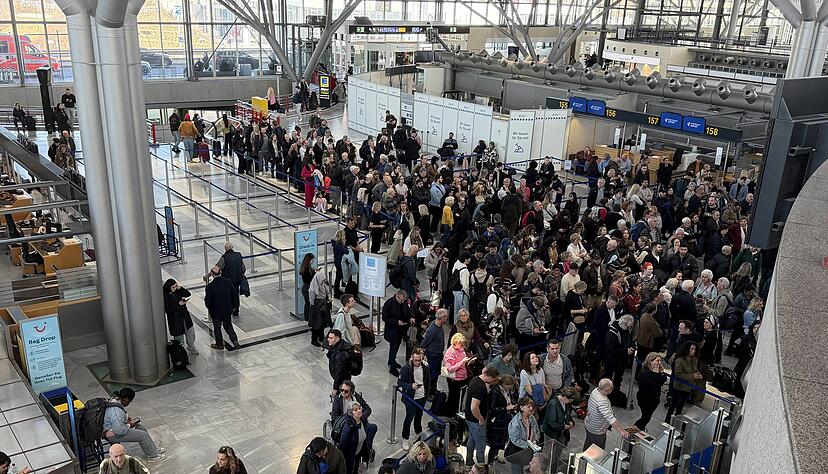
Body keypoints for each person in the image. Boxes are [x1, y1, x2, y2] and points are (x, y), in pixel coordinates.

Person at [103, 389, 167, 462]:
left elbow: (115, 420)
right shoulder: (116, 412)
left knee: (141, 427)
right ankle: (152, 457)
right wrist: (129, 425)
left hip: (114, 429)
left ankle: (153, 449)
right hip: (113, 435)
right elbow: (119, 430)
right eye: (130, 401)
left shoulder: (115, 400)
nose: (129, 403)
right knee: (143, 435)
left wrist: (126, 419)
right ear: (126, 399)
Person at [464, 366, 499, 467]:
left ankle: (469, 462)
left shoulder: (475, 379)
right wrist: (481, 419)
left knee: (472, 440)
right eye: (493, 379)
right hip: (476, 420)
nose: (493, 382)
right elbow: (474, 407)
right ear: (489, 377)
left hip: (470, 418)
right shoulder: (480, 387)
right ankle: (481, 468)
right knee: (481, 446)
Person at [583, 379, 630, 450]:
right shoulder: (601, 401)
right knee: (598, 450)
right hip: (597, 430)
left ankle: (583, 458)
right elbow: (610, 418)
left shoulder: (595, 391)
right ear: (607, 390)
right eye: (612, 388)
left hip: (589, 425)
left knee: (589, 443)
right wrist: (622, 431)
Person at [398, 348, 430, 449]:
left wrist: (427, 392)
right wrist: (410, 386)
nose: (417, 362)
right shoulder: (405, 369)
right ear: (412, 357)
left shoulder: (425, 367)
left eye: (419, 360)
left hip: (422, 396)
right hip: (410, 397)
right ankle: (405, 438)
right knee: (409, 417)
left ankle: (418, 433)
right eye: (415, 360)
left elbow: (428, 380)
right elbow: (400, 383)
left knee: (419, 416)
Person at [204, 242, 246, 318]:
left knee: (228, 296)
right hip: (237, 280)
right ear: (232, 247)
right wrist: (240, 275)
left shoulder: (224, 257)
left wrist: (207, 276)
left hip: (228, 281)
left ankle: (229, 310)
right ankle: (236, 311)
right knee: (236, 295)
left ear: (225, 249)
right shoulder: (238, 255)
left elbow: (216, 268)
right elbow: (243, 268)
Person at [204, 266, 240, 350]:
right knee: (228, 326)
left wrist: (210, 308)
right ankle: (234, 340)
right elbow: (234, 295)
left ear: (212, 274)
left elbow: (207, 301)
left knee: (217, 327)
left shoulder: (210, 286)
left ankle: (219, 344)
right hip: (227, 309)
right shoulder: (228, 282)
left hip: (216, 311)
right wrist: (234, 306)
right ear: (220, 272)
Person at [665, 341, 702, 422]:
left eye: (694, 349)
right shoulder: (679, 360)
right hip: (679, 386)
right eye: (691, 349)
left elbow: (695, 369)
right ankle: (667, 420)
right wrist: (693, 376)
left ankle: (677, 420)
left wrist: (697, 374)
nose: (693, 351)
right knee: (674, 404)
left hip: (688, 387)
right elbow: (678, 375)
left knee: (681, 405)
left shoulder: (694, 359)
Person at [339, 402, 378, 474]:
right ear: (351, 413)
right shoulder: (348, 427)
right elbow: (343, 446)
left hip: (358, 453)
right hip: (350, 456)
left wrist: (364, 458)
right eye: (355, 410)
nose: (359, 411)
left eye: (359, 408)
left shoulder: (362, 420)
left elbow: (363, 440)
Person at [162, 279, 198, 355]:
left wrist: (180, 288)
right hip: (175, 320)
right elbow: (168, 310)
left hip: (184, 316)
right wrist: (179, 305)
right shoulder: (165, 296)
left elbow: (188, 294)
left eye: (176, 286)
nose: (175, 288)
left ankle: (191, 347)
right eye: (173, 287)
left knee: (190, 332)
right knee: (179, 337)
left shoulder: (178, 291)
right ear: (169, 287)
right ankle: (181, 352)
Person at [506, 397, 540, 474]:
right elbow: (515, 440)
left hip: (529, 450)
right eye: (528, 406)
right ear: (521, 408)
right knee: (517, 470)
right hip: (517, 452)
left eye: (531, 406)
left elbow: (536, 431)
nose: (531, 408)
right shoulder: (515, 423)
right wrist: (528, 445)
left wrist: (535, 440)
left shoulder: (531, 418)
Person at [634, 353, 668, 431]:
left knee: (647, 417)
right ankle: (635, 429)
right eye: (657, 360)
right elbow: (654, 385)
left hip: (654, 399)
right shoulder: (644, 372)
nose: (659, 362)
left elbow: (662, 381)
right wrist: (656, 373)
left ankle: (640, 429)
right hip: (645, 399)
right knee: (645, 417)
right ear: (650, 361)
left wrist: (662, 373)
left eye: (660, 360)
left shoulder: (656, 371)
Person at [383, 290, 413, 376]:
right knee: (394, 347)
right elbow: (385, 317)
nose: (403, 302)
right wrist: (396, 322)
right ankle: (392, 367)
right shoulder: (389, 303)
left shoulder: (403, 302)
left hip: (401, 329)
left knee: (395, 347)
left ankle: (391, 361)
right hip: (392, 330)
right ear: (398, 296)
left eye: (404, 300)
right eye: (401, 300)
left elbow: (408, 310)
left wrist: (411, 317)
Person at [443, 333, 474, 414]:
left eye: (462, 345)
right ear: (454, 343)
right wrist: (462, 362)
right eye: (460, 344)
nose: (461, 347)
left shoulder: (460, 348)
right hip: (455, 380)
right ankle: (451, 415)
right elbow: (450, 369)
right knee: (454, 399)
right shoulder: (450, 353)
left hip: (463, 378)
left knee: (461, 398)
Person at [421, 308, 448, 395]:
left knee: (436, 373)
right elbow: (425, 341)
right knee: (431, 375)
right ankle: (429, 392)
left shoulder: (439, 326)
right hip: (433, 355)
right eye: (446, 317)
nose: (447, 318)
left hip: (438, 354)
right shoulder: (433, 329)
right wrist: (422, 350)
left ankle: (433, 389)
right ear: (441, 318)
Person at [309, 265, 333, 347]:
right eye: (322, 280)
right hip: (317, 308)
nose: (323, 282)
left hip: (323, 307)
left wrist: (328, 298)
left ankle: (321, 337)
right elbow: (312, 301)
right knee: (317, 324)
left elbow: (327, 292)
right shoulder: (313, 288)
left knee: (322, 323)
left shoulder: (322, 285)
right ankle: (314, 339)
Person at [326, 329, 354, 396]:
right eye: (328, 337)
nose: (328, 339)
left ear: (337, 339)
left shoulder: (341, 354)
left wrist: (335, 388)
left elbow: (339, 372)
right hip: (342, 378)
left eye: (331, 338)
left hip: (342, 380)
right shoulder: (336, 346)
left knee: (342, 397)